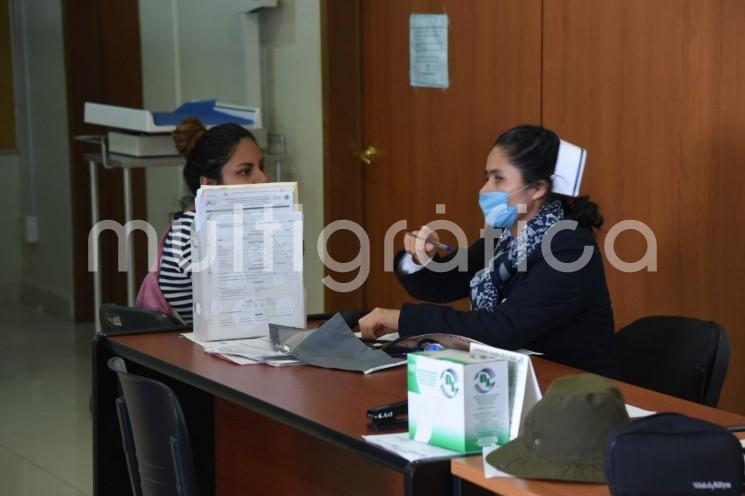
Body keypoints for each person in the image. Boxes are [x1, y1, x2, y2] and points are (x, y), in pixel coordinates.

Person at [359, 125, 616, 375]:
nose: (484, 189)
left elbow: (503, 327)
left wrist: (402, 319)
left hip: (572, 387)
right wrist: (420, 258)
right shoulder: (505, 234)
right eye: (487, 177)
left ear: (537, 188)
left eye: (498, 178)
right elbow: (446, 283)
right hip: (513, 372)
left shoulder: (569, 247)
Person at [156, 117, 269, 324]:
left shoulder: (231, 229)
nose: (263, 178)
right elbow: (241, 297)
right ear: (209, 184)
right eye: (245, 171)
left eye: (261, 166)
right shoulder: (190, 233)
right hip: (189, 351)